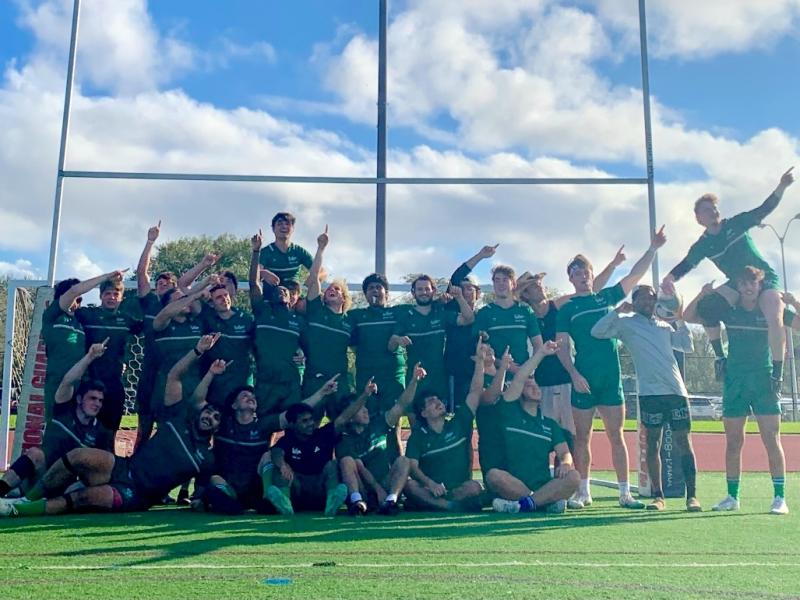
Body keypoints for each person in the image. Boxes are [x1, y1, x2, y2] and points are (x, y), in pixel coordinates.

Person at [0, 335, 223, 518]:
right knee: (76, 455)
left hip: (137, 493)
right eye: (208, 412)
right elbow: (174, 376)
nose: (209, 417)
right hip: (123, 467)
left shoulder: (207, 457)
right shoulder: (176, 419)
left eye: (216, 418)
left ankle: (16, 510)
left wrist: (201, 500)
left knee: (83, 497)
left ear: (217, 427)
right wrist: (198, 352)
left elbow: (201, 491)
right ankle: (25, 499)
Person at [556, 227, 667, 509]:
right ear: (570, 279)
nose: (582, 276)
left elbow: (634, 277)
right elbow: (562, 346)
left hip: (611, 379)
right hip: (583, 380)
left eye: (586, 272)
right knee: (582, 438)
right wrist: (574, 375)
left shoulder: (605, 298)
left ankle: (624, 493)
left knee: (617, 436)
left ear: (592, 275)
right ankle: (583, 492)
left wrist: (653, 248)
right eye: (576, 273)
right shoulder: (567, 309)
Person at [662, 168, 795, 392]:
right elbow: (686, 264)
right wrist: (669, 278)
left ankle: (777, 373)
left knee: (774, 313)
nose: (713, 211)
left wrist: (782, 185)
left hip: (763, 278)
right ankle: (720, 358)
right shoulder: (703, 244)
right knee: (708, 307)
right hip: (738, 283)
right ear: (699, 219)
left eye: (714, 208)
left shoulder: (736, 223)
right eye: (707, 210)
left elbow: (764, 209)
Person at [685, 267, 798, 515]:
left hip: (764, 379)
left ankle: (780, 498)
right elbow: (690, 316)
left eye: (752, 283)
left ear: (760, 285)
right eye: (743, 284)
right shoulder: (729, 309)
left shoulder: (771, 308)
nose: (748, 288)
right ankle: (732, 496)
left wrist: (794, 303)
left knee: (771, 438)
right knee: (734, 441)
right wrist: (703, 294)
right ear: (737, 286)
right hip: (734, 379)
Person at [515, 249, 626, 475]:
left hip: (566, 379)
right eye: (533, 286)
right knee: (544, 434)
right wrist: (520, 287)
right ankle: (542, 480)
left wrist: (613, 264)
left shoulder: (558, 306)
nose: (539, 287)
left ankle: (570, 480)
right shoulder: (524, 315)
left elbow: (592, 286)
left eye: (539, 283)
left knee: (572, 435)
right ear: (525, 293)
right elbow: (512, 298)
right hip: (540, 382)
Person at [591, 285, 701, 511]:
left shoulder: (664, 325)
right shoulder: (626, 323)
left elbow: (687, 345)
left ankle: (692, 496)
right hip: (650, 394)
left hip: (676, 391)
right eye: (642, 298)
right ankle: (658, 496)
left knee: (684, 442)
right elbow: (597, 331)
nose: (647, 302)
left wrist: (679, 319)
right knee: (652, 445)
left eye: (651, 298)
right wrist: (617, 311)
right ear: (634, 301)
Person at [200, 371, 340, 516]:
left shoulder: (263, 425)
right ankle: (229, 503)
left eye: (253, 397)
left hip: (255, 486)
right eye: (245, 396)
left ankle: (268, 499)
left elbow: (294, 412)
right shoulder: (222, 424)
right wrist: (210, 373)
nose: (251, 398)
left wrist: (322, 393)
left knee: (268, 455)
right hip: (230, 484)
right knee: (214, 480)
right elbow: (199, 404)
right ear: (234, 405)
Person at [0, 343, 114, 498]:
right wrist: (90, 357)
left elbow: (102, 468)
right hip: (42, 475)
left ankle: (30, 498)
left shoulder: (100, 431)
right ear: (79, 399)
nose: (97, 404)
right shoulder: (63, 412)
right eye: (92, 398)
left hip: (66, 485)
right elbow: (68, 381)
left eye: (100, 400)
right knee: (35, 454)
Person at [485, 341, 580, 514]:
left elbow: (564, 453)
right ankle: (541, 501)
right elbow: (520, 377)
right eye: (529, 386)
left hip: (542, 484)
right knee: (494, 476)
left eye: (536, 385)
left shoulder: (549, 424)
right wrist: (541, 353)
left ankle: (523, 505)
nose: (535, 387)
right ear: (519, 392)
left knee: (574, 477)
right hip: (514, 484)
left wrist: (566, 464)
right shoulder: (510, 412)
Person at [403, 344, 485, 512]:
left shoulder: (458, 422)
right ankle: (448, 506)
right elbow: (412, 467)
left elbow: (475, 392)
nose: (438, 402)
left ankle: (436, 505)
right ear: (423, 413)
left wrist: (480, 362)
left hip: (457, 489)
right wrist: (430, 484)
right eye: (431, 401)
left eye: (438, 399)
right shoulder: (418, 436)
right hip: (431, 489)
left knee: (475, 487)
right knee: (410, 486)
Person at [264, 393, 372, 516]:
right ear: (292, 424)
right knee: (280, 469)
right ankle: (285, 504)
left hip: (320, 492)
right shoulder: (288, 439)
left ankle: (332, 502)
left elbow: (345, 417)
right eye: (304, 421)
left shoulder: (322, 434)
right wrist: (282, 465)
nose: (310, 423)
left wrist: (365, 394)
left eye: (311, 419)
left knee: (331, 465)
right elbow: (277, 452)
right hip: (298, 492)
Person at [40, 268, 126, 422]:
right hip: (58, 381)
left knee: (78, 427)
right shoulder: (52, 316)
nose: (77, 301)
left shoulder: (79, 321)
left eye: (80, 299)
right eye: (75, 297)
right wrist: (107, 276)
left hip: (80, 384)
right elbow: (74, 290)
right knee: (56, 425)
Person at [337, 372, 416, 516]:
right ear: (350, 415)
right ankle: (357, 502)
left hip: (384, 482)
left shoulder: (378, 424)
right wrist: (376, 488)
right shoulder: (344, 437)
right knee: (347, 461)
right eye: (360, 408)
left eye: (365, 407)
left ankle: (391, 501)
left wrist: (414, 380)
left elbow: (401, 405)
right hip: (363, 486)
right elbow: (359, 467)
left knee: (403, 461)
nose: (366, 410)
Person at [390, 275, 474, 403]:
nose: (424, 292)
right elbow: (391, 347)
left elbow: (469, 319)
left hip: (438, 380)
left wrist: (459, 298)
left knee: (440, 414)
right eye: (420, 289)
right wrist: (397, 339)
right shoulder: (406, 316)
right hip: (414, 380)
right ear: (413, 292)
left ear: (433, 291)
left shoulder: (441, 313)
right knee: (414, 415)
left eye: (427, 289)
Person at [74, 276, 143, 431]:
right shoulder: (87, 315)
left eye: (116, 294)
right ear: (100, 296)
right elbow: (68, 305)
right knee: (84, 427)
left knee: (110, 429)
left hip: (114, 382)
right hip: (89, 381)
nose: (111, 297)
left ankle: (109, 446)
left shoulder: (127, 320)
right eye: (107, 293)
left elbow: (151, 325)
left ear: (121, 298)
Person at [250, 230, 306, 415]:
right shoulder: (262, 311)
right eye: (278, 290)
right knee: (263, 422)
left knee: (292, 423)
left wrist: (303, 355)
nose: (281, 291)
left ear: (291, 299)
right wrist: (256, 252)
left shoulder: (298, 321)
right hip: (266, 381)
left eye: (285, 291)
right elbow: (254, 283)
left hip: (291, 383)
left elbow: (310, 346)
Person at [133, 221, 178, 446]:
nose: (161, 285)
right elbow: (142, 273)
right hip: (150, 368)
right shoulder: (150, 302)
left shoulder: (181, 308)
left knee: (167, 423)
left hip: (172, 371)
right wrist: (150, 241)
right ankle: (136, 459)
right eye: (159, 282)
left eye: (167, 283)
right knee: (144, 422)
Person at [302, 225, 353, 414]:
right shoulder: (316, 310)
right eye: (329, 288)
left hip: (340, 381)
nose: (332, 290)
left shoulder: (350, 322)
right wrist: (321, 248)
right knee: (309, 423)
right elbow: (314, 276)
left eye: (337, 289)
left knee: (339, 424)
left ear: (344, 298)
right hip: (314, 379)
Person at [445, 244, 498, 410]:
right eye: (461, 289)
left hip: (480, 373)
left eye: (469, 288)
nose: (464, 292)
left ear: (478, 293)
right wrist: (480, 256)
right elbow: (457, 275)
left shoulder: (485, 314)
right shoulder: (451, 309)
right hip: (456, 374)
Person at [348, 273, 405, 414]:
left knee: (393, 416)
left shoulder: (397, 313)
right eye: (371, 288)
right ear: (365, 294)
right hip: (366, 376)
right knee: (367, 415)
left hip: (393, 376)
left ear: (387, 293)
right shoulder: (355, 316)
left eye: (379, 287)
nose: (375, 290)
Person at [473, 264, 542, 370]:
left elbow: (538, 344)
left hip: (523, 374)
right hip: (494, 375)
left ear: (513, 284)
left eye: (505, 280)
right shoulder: (484, 312)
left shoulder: (525, 310)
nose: (501, 284)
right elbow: (478, 348)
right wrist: (504, 365)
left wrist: (529, 369)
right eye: (497, 280)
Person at [199, 283, 254, 412]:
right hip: (216, 385)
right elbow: (185, 289)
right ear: (211, 303)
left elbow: (260, 345)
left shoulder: (246, 319)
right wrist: (207, 286)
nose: (224, 299)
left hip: (241, 381)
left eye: (226, 295)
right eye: (218, 297)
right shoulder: (207, 319)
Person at [258, 212, 314, 286]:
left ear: (293, 228)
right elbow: (254, 275)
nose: (284, 226)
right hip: (272, 292)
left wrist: (315, 277)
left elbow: (321, 271)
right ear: (273, 228)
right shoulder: (266, 252)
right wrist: (262, 273)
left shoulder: (298, 251)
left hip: (293, 292)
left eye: (287, 224)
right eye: (280, 224)